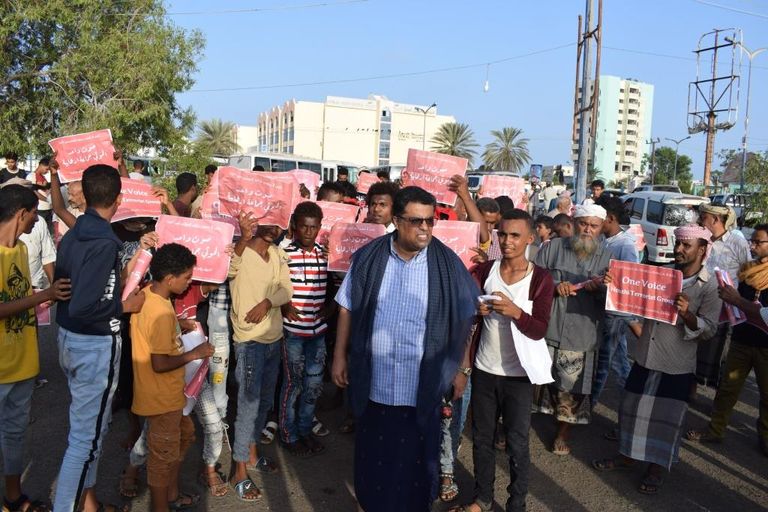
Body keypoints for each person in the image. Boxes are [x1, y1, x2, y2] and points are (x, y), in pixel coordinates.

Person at [332, 186, 479, 512]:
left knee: (416, 467)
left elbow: (464, 317)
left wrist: (462, 368)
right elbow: (347, 307)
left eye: (430, 221)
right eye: (416, 221)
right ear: (397, 221)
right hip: (376, 382)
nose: (425, 228)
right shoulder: (369, 258)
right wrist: (339, 356)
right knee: (374, 461)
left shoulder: (446, 263)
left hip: (422, 385)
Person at [592, 225, 721, 494]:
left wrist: (687, 314)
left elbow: (709, 330)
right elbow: (631, 296)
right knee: (632, 409)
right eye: (678, 243)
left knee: (666, 419)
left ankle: (656, 467)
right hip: (645, 355)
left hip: (676, 362)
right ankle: (627, 456)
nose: (679, 249)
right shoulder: (661, 274)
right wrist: (614, 283)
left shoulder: (709, 286)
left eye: (686, 245)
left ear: (702, 249)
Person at [53, 164, 146, 512]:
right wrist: (125, 305)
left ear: (86, 195)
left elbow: (67, 290)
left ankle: (88, 504)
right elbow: (85, 304)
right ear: (118, 199)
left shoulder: (74, 232)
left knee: (91, 431)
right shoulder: (105, 242)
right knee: (84, 442)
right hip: (92, 344)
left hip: (69, 339)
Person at [449, 209, 554, 512]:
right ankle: (482, 498)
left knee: (517, 443)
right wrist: (475, 310)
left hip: (519, 375)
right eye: (503, 234)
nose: (507, 241)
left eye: (515, 236)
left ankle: (516, 504)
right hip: (485, 369)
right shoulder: (485, 271)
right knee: (482, 439)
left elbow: (539, 329)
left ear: (530, 239)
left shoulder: (540, 278)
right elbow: (466, 312)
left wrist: (516, 312)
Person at [0, 184, 70, 512]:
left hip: (23, 362)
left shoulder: (20, 250)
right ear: (22, 213)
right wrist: (44, 295)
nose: (35, 222)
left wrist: (39, 298)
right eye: (33, 216)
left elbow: (18, 296)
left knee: (15, 434)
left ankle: (13, 498)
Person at [130, 243, 213, 511]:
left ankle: (172, 494)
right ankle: (160, 506)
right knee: (161, 457)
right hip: (162, 396)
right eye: (187, 277)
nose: (190, 282)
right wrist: (195, 353)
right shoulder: (161, 312)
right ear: (169, 278)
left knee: (185, 435)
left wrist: (178, 324)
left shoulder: (150, 294)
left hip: (167, 394)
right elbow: (160, 363)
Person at [533, 204, 612, 455]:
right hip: (549, 326)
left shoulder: (608, 258)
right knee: (534, 379)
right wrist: (555, 286)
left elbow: (615, 300)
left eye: (593, 226)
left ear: (601, 228)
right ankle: (517, 425)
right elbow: (533, 278)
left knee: (572, 386)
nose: (587, 230)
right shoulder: (553, 247)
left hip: (582, 333)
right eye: (583, 223)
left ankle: (562, 432)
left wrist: (601, 290)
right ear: (574, 223)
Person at [687, 223, 768, 456]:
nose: (752, 246)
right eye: (752, 241)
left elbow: (762, 312)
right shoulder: (748, 270)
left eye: (758, 242)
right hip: (741, 339)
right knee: (727, 389)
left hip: (765, 346)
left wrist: (737, 300)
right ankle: (715, 429)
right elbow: (738, 304)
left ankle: (765, 437)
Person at [228, 212, 293, 501]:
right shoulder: (240, 250)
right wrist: (243, 238)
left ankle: (252, 455)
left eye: (278, 223)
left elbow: (286, 290)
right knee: (248, 406)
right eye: (267, 221)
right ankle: (239, 471)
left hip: (273, 338)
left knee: (264, 403)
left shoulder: (277, 254)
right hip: (249, 341)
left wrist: (267, 302)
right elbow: (228, 270)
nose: (273, 228)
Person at [279, 202, 334, 456]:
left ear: (320, 227)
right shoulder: (284, 254)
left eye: (313, 227)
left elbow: (341, 285)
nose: (309, 232)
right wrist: (284, 305)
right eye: (304, 226)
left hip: (318, 332)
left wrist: (331, 308)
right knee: (293, 384)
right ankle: (288, 434)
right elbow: (273, 284)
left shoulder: (326, 255)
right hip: (293, 331)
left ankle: (304, 429)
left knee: (313, 384)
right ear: (295, 226)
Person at [696, 203, 752, 388]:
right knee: (695, 347)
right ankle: (691, 389)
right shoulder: (702, 239)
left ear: (715, 219)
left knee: (720, 353)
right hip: (701, 301)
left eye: (704, 217)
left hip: (725, 308)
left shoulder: (737, 242)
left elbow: (747, 273)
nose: (700, 220)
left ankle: (719, 393)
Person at [591, 196, 639, 407]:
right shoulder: (604, 239)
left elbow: (629, 282)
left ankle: (588, 406)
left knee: (604, 363)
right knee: (619, 363)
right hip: (605, 308)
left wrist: (606, 283)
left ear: (609, 218)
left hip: (615, 312)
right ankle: (630, 408)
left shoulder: (625, 245)